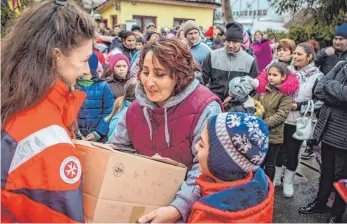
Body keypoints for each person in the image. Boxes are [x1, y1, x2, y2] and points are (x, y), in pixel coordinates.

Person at [108, 38, 223, 223]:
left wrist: (178, 208)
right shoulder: (134, 110)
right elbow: (116, 151)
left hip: (189, 209)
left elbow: (204, 169)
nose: (149, 82)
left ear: (180, 74)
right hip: (141, 201)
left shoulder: (206, 108)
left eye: (159, 74)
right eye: (145, 72)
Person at [1, 0, 95, 222]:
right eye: (84, 60)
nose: (86, 71)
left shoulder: (15, 97)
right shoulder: (47, 137)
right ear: (56, 56)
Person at [188, 112, 274, 223]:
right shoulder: (259, 186)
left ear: (220, 161)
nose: (195, 147)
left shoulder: (210, 217)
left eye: (201, 145)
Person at [298, 60, 347, 223]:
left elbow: (344, 94)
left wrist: (331, 89)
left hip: (344, 135)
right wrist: (336, 94)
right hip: (328, 129)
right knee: (326, 172)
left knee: (341, 176)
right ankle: (321, 203)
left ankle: (337, 214)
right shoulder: (341, 65)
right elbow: (319, 90)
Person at [275, 43, 323, 197]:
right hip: (280, 118)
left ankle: (288, 182)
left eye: (299, 54)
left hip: (297, 121)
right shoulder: (286, 71)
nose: (295, 57)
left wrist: (300, 106)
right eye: (294, 53)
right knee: (277, 150)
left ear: (309, 57)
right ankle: (276, 178)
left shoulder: (317, 76)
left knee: (292, 151)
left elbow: (320, 101)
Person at [255, 62, 299, 182]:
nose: (271, 77)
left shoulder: (286, 94)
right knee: (258, 161)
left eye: (275, 75)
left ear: (283, 77)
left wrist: (264, 123)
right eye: (269, 74)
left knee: (269, 163)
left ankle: (268, 186)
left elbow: (282, 114)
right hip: (259, 132)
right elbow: (255, 104)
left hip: (273, 134)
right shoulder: (263, 89)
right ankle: (256, 184)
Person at [202, 22, 258, 102]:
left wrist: (234, 98)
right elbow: (203, 80)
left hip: (238, 105)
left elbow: (252, 88)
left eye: (234, 42)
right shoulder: (212, 55)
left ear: (241, 42)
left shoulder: (250, 60)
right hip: (213, 102)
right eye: (228, 41)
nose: (230, 45)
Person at [76, 53, 114, 143]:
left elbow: (109, 111)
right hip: (76, 138)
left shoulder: (103, 86)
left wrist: (98, 133)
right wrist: (77, 133)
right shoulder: (73, 86)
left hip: (99, 138)